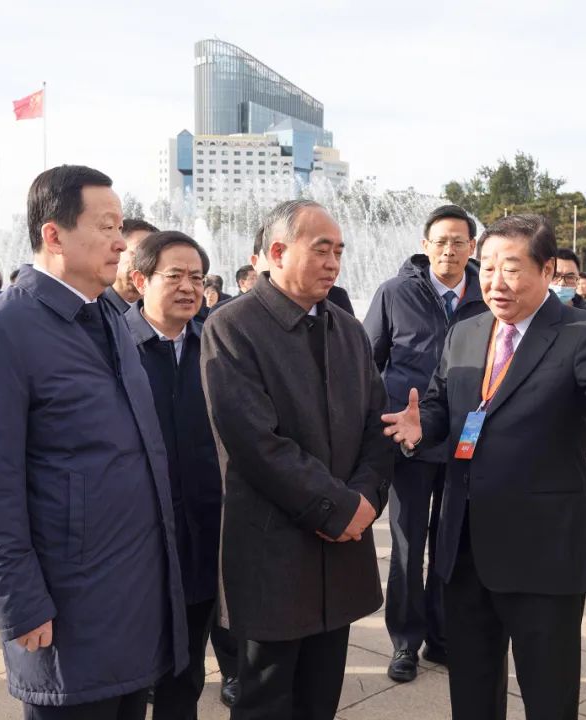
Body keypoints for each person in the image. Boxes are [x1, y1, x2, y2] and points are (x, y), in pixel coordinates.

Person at [382, 214, 586, 720]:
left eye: (511, 269)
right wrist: (423, 427)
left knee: (548, 695)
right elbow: (443, 404)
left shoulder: (580, 331)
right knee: (473, 691)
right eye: (488, 270)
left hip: (540, 553)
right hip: (463, 547)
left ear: (547, 270)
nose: (495, 283)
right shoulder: (467, 330)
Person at [0, 165, 187, 720]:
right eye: (105, 226)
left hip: (132, 592)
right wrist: (19, 602)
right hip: (65, 603)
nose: (120, 241)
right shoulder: (0, 330)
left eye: (121, 226)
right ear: (53, 234)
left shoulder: (108, 314)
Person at [201, 199, 393, 720]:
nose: (333, 262)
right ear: (277, 252)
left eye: (339, 251)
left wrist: (366, 501)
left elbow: (378, 427)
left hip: (343, 545)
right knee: (265, 696)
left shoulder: (348, 330)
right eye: (321, 249)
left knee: (320, 696)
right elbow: (254, 444)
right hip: (273, 550)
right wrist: (340, 508)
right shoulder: (232, 327)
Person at [364, 204, 487, 683]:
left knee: (451, 546)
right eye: (440, 240)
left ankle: (443, 636)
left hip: (464, 445)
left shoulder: (487, 296)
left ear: (471, 247)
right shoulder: (395, 293)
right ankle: (404, 643)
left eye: (459, 241)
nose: (449, 250)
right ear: (424, 243)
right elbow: (368, 362)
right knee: (408, 544)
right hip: (409, 445)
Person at [126, 231, 222, 720]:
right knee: (128, 675)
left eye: (198, 278)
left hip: (201, 536)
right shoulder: (112, 348)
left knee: (185, 675)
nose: (189, 288)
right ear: (140, 279)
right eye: (175, 276)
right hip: (133, 544)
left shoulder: (216, 349)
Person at [106, 218, 160, 312]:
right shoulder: (91, 307)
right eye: (139, 253)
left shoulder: (160, 314)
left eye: (153, 256)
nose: (145, 262)